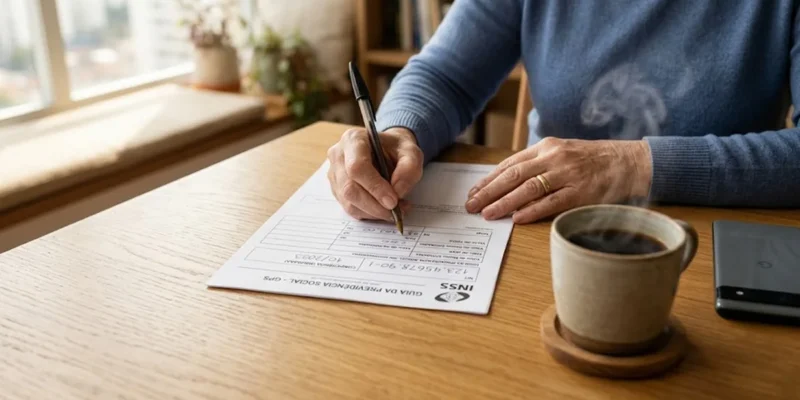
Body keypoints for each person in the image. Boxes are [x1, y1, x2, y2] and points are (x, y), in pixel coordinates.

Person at [327, 0, 800, 224]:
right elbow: (444, 76)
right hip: (538, 234)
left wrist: (633, 165)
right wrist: (396, 133)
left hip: (716, 242)